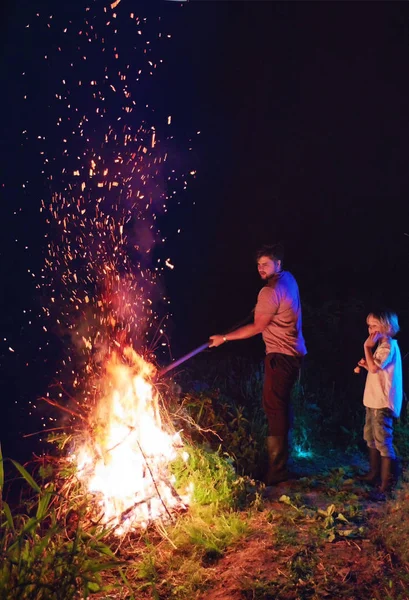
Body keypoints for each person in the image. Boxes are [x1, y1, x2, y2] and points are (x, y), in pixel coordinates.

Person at [209, 244, 307, 485]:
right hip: (295, 354)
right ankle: (285, 462)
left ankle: (277, 471)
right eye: (258, 265)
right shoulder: (288, 280)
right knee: (281, 405)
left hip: (280, 356)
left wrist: (223, 338)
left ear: (278, 264)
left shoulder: (269, 291)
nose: (260, 268)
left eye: (266, 264)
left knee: (273, 407)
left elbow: (256, 327)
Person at [355, 310, 403, 495]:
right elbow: (375, 368)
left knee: (383, 440)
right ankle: (374, 473)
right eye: (369, 325)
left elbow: (375, 368)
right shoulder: (383, 346)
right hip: (373, 401)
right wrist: (366, 364)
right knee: (371, 437)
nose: (370, 329)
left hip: (382, 403)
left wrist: (367, 348)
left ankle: (386, 483)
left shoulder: (387, 346)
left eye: (374, 325)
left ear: (387, 327)